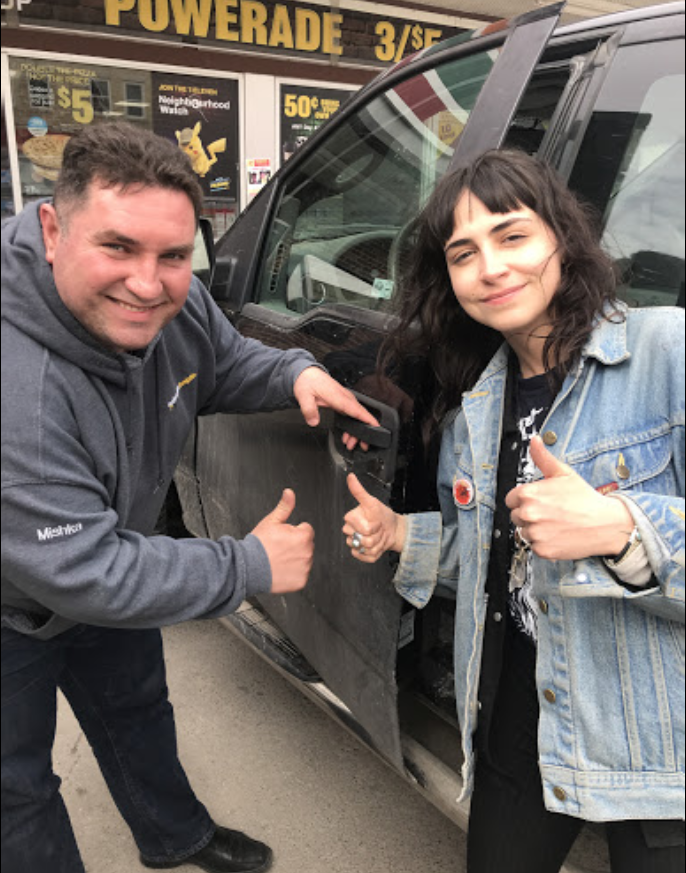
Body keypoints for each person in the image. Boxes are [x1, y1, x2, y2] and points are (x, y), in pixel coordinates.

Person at [1, 121, 378, 873]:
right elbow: (90, 571)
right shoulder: (21, 400)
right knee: (16, 790)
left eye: (172, 255)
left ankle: (175, 837)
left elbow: (225, 361)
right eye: (117, 247)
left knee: (138, 711)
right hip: (16, 602)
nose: (148, 283)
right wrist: (248, 564)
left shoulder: (170, 302)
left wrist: (294, 373)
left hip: (107, 552)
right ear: (52, 228)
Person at [342, 150, 684, 873]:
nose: (490, 267)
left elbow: (620, 539)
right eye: (463, 253)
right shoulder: (478, 407)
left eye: (512, 236)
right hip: (516, 714)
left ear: (561, 239)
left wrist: (625, 532)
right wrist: (403, 534)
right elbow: (496, 561)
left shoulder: (667, 353)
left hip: (657, 740)